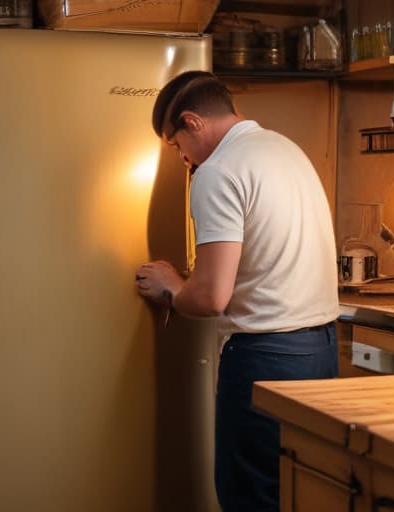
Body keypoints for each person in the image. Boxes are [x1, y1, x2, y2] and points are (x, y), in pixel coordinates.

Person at [135, 70, 340, 512]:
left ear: (192, 122)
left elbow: (210, 298)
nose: (182, 159)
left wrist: (172, 286)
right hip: (322, 348)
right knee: (303, 492)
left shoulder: (219, 171)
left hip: (266, 356)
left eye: (176, 145)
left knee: (252, 497)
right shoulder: (285, 149)